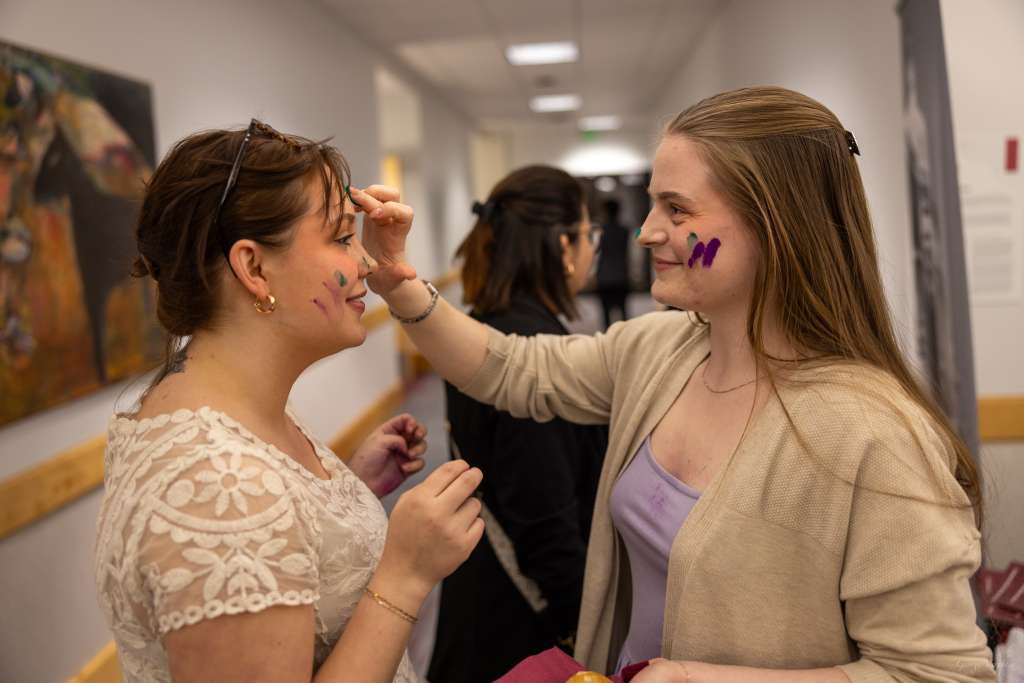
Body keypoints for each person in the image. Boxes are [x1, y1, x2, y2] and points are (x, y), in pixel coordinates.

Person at [358, 87, 996, 682]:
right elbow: (511, 368)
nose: (645, 231)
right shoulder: (663, 350)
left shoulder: (874, 435)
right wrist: (399, 283)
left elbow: (939, 672)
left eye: (678, 209)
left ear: (774, 227)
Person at [93, 120, 484, 683]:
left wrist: (343, 492)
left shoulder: (216, 413)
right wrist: (406, 573)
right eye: (342, 238)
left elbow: (274, 553)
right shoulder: (222, 488)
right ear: (253, 268)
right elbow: (240, 517)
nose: (367, 264)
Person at [428, 166, 609, 683]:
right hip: (521, 623)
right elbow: (544, 514)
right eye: (587, 234)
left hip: (484, 582)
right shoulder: (530, 354)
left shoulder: (482, 330)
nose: (592, 248)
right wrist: (585, 629)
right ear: (562, 245)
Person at [595, 199, 631, 328]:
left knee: (605, 314)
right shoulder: (624, 230)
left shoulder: (602, 231)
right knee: (622, 311)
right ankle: (625, 338)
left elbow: (596, 250)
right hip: (621, 274)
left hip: (605, 276)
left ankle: (608, 340)